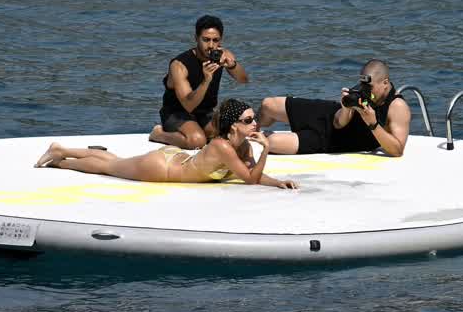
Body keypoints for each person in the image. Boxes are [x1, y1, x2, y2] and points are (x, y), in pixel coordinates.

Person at [35, 99, 297, 189]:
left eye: (253, 118)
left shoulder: (243, 147)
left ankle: (62, 151)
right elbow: (250, 180)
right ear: (233, 126)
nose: (255, 123)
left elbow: (253, 174)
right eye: (248, 120)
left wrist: (277, 183)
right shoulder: (223, 147)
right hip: (162, 168)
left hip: (174, 160)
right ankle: (62, 161)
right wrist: (266, 149)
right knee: (109, 167)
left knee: (115, 162)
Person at [258, 59, 411, 157]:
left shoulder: (397, 106)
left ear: (385, 83)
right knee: (268, 104)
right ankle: (251, 127)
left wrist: (372, 123)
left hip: (332, 140)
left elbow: (397, 150)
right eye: (363, 85)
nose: (366, 90)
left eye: (369, 87)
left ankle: (250, 138)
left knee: (271, 142)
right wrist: (346, 108)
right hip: (329, 113)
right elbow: (338, 123)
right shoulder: (363, 93)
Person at [149, 15, 248, 149]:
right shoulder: (179, 65)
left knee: (229, 136)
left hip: (204, 111)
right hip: (177, 112)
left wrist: (232, 65)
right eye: (206, 40)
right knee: (197, 141)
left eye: (215, 40)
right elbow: (188, 105)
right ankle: (159, 134)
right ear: (196, 38)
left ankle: (201, 129)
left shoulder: (223, 55)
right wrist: (206, 80)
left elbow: (243, 80)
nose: (211, 45)